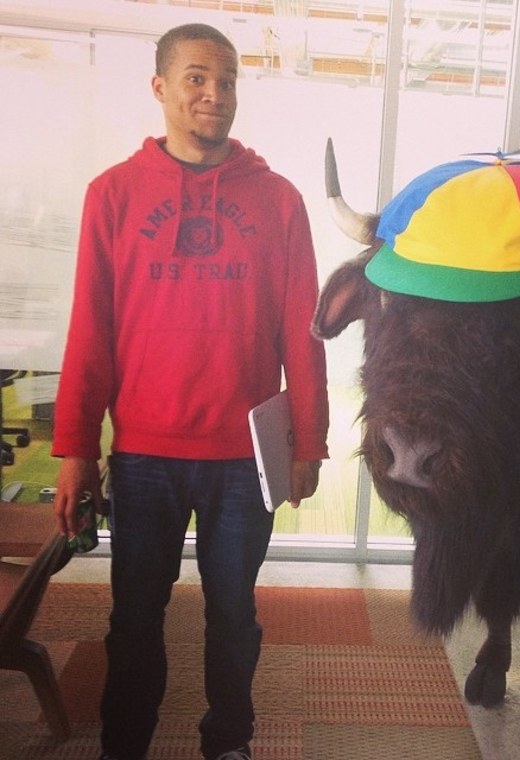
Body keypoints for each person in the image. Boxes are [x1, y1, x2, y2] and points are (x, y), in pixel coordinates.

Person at [52, 23, 329, 760]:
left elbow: (302, 334)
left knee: (233, 614)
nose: (216, 94)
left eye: (229, 80)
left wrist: (310, 442)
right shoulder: (111, 195)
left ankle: (228, 741)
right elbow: (91, 331)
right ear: (161, 89)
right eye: (198, 78)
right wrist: (77, 449)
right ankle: (125, 743)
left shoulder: (278, 201)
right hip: (144, 455)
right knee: (133, 618)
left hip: (245, 459)